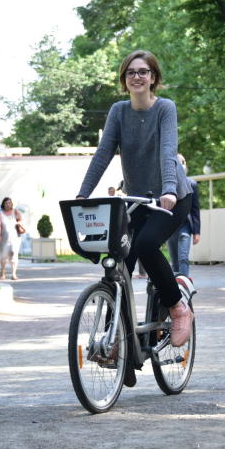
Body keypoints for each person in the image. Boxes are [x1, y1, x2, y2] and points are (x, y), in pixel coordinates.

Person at [76, 49, 195, 352]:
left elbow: (168, 151)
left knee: (144, 246)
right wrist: (83, 194)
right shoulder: (118, 111)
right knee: (118, 262)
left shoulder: (164, 108)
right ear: (124, 79)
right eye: (131, 72)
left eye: (143, 71)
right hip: (137, 199)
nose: (137, 76)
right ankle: (115, 337)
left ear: (153, 77)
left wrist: (168, 189)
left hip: (173, 197)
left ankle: (178, 308)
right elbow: (103, 154)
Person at [167, 154, 201, 277]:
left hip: (185, 227)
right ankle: (175, 288)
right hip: (169, 227)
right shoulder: (166, 184)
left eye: (181, 162)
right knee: (174, 261)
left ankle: (184, 284)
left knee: (183, 258)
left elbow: (195, 209)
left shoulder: (192, 184)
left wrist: (197, 232)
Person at [0, 197, 23, 280]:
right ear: (3, 204)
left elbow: (21, 220)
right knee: (4, 256)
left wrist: (18, 223)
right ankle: (2, 271)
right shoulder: (0, 213)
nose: (8, 204)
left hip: (15, 237)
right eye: (6, 203)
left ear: (11, 204)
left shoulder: (15, 211)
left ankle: (14, 273)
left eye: (9, 203)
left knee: (14, 253)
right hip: (4, 237)